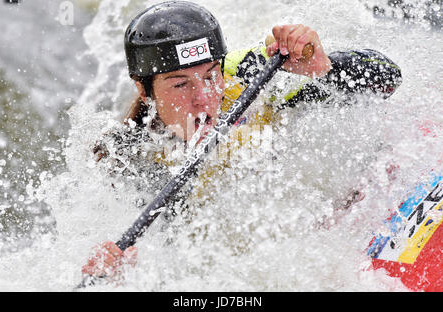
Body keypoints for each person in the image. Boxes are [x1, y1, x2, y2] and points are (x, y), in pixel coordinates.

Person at [82, 0, 402, 282]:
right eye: (180, 85)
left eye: (210, 76)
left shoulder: (249, 74)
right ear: (143, 90)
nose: (203, 98)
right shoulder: (132, 155)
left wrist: (324, 68)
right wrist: (119, 272)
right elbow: (175, 257)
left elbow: (389, 77)